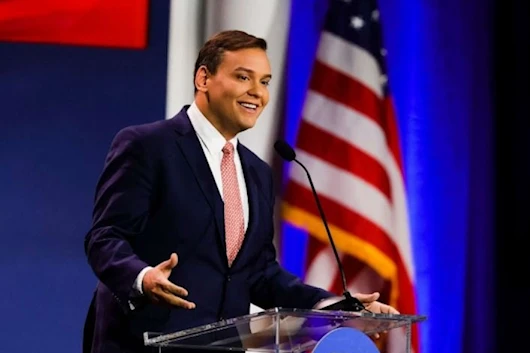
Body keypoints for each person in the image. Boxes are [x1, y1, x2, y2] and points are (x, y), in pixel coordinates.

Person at [83, 30, 397, 353]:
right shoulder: (148, 147)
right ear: (203, 78)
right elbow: (105, 237)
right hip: (140, 345)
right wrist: (142, 277)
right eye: (243, 77)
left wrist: (332, 306)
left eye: (264, 82)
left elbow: (259, 275)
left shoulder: (257, 173)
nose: (256, 92)